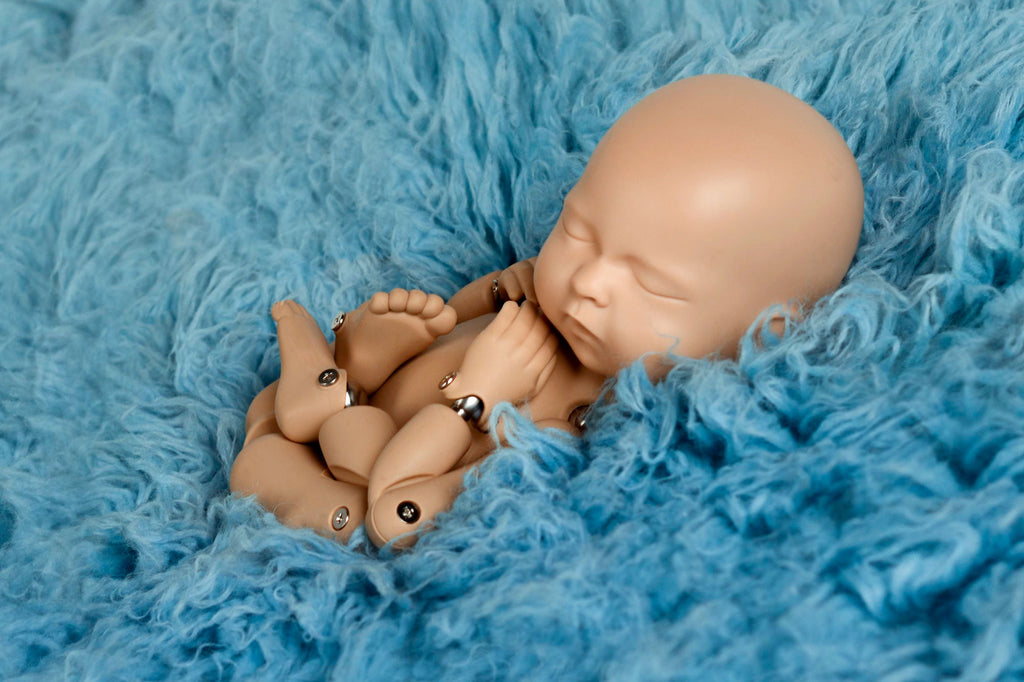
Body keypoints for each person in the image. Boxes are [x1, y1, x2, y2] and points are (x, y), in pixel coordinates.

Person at [229, 74, 865, 547]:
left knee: (270, 466)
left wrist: (475, 399)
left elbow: (398, 512)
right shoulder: (536, 289)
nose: (587, 282)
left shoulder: (578, 427)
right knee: (304, 401)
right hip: (374, 394)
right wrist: (431, 325)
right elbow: (459, 314)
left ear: (761, 335)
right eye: (577, 229)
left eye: (652, 284)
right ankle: (347, 368)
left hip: (379, 472)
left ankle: (327, 433)